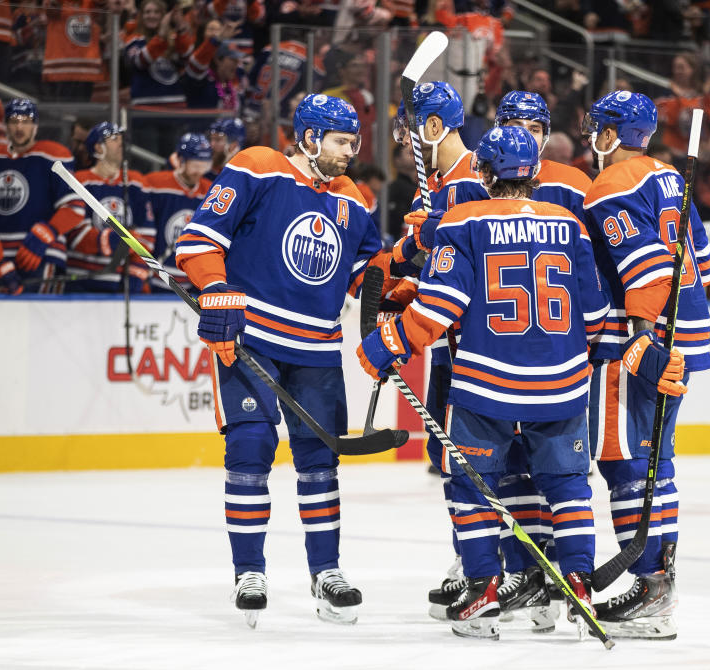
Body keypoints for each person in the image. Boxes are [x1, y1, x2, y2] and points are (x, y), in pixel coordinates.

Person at [356, 125, 609, 640]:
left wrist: (388, 344)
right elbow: (598, 310)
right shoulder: (568, 222)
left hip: (485, 382)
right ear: (535, 171)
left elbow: (441, 304)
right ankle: (579, 585)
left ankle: (484, 588)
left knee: (471, 485)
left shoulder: (462, 218)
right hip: (561, 382)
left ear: (484, 172)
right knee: (568, 487)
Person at [174, 93, 390, 628]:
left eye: (354, 142)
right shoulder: (256, 167)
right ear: (311, 137)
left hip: (317, 348)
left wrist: (408, 255)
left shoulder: (353, 197)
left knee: (321, 461)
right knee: (250, 447)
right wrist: (217, 290)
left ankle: (327, 572)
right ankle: (249, 572)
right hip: (254, 341)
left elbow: (369, 274)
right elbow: (199, 241)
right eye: (342, 142)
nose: (350, 152)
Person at [581, 90, 710, 640]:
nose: (593, 136)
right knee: (661, 458)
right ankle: (662, 579)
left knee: (624, 460)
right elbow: (701, 259)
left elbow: (646, 267)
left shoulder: (610, 183)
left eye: (597, 128)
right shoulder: (673, 181)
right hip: (684, 333)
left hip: (636, 340)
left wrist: (641, 339)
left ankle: (648, 581)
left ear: (611, 134)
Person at [484, 90, 593, 626]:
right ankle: (530, 572)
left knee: (536, 471)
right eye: (514, 123)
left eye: (533, 123)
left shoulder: (575, 183)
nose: (524, 131)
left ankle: (543, 572)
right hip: (552, 354)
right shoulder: (567, 189)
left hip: (517, 354)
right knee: (516, 472)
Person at [391, 80, 490, 617]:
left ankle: (485, 566)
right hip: (449, 342)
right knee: (445, 457)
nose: (408, 146)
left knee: (469, 459)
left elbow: (468, 260)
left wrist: (415, 248)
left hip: (473, 344)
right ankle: (469, 558)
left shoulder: (472, 179)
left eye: (413, 135)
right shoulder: (439, 182)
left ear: (433, 128)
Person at [0, 99, 84, 294]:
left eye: (26, 121)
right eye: (14, 121)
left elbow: (74, 207)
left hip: (42, 255)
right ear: (5, 126)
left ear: (35, 126)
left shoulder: (54, 155)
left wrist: (46, 234)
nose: (19, 127)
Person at [67, 122, 155, 293]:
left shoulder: (136, 182)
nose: (121, 143)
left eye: (122, 139)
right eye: (114, 139)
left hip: (120, 282)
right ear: (99, 148)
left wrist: (137, 271)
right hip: (81, 280)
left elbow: (147, 234)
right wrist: (118, 240)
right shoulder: (80, 181)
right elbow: (76, 234)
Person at [147, 133, 213, 292]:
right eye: (195, 166)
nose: (199, 172)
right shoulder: (155, 184)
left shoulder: (211, 190)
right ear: (181, 161)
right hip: (158, 278)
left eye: (203, 166)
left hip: (194, 282)